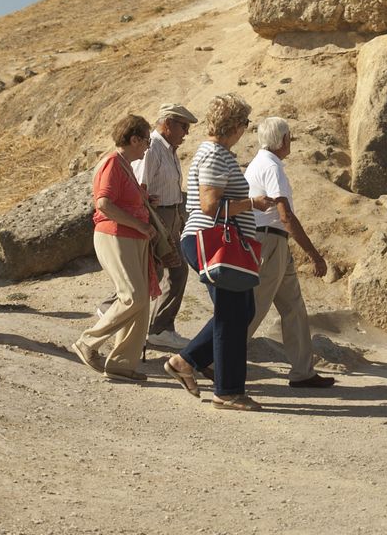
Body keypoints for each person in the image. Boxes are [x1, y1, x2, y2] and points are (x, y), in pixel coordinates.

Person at [162, 94, 268, 412]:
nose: (245, 130)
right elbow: (209, 206)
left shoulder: (217, 153)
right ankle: (228, 391)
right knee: (232, 314)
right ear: (235, 125)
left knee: (241, 311)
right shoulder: (214, 155)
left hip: (216, 243)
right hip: (211, 242)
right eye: (245, 124)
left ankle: (187, 360)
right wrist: (253, 203)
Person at [245, 116, 335, 389]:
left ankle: (302, 371)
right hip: (269, 242)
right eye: (290, 137)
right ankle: (211, 359)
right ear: (283, 140)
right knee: (254, 309)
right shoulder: (271, 166)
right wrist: (315, 255)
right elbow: (285, 216)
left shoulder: (262, 163)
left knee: (294, 307)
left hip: (275, 242)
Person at [97, 102, 195, 348]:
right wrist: (149, 226)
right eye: (183, 126)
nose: (186, 133)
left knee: (166, 271)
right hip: (155, 219)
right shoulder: (150, 150)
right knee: (154, 272)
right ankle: (111, 310)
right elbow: (137, 188)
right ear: (168, 124)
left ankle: (157, 327)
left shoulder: (168, 149)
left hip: (168, 217)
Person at [72, 114, 157, 381]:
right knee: (133, 296)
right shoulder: (112, 163)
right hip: (116, 237)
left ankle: (122, 363)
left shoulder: (124, 165)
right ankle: (88, 342)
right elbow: (104, 204)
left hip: (130, 238)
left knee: (140, 301)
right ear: (134, 139)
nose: (147, 146)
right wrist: (140, 224)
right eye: (146, 140)